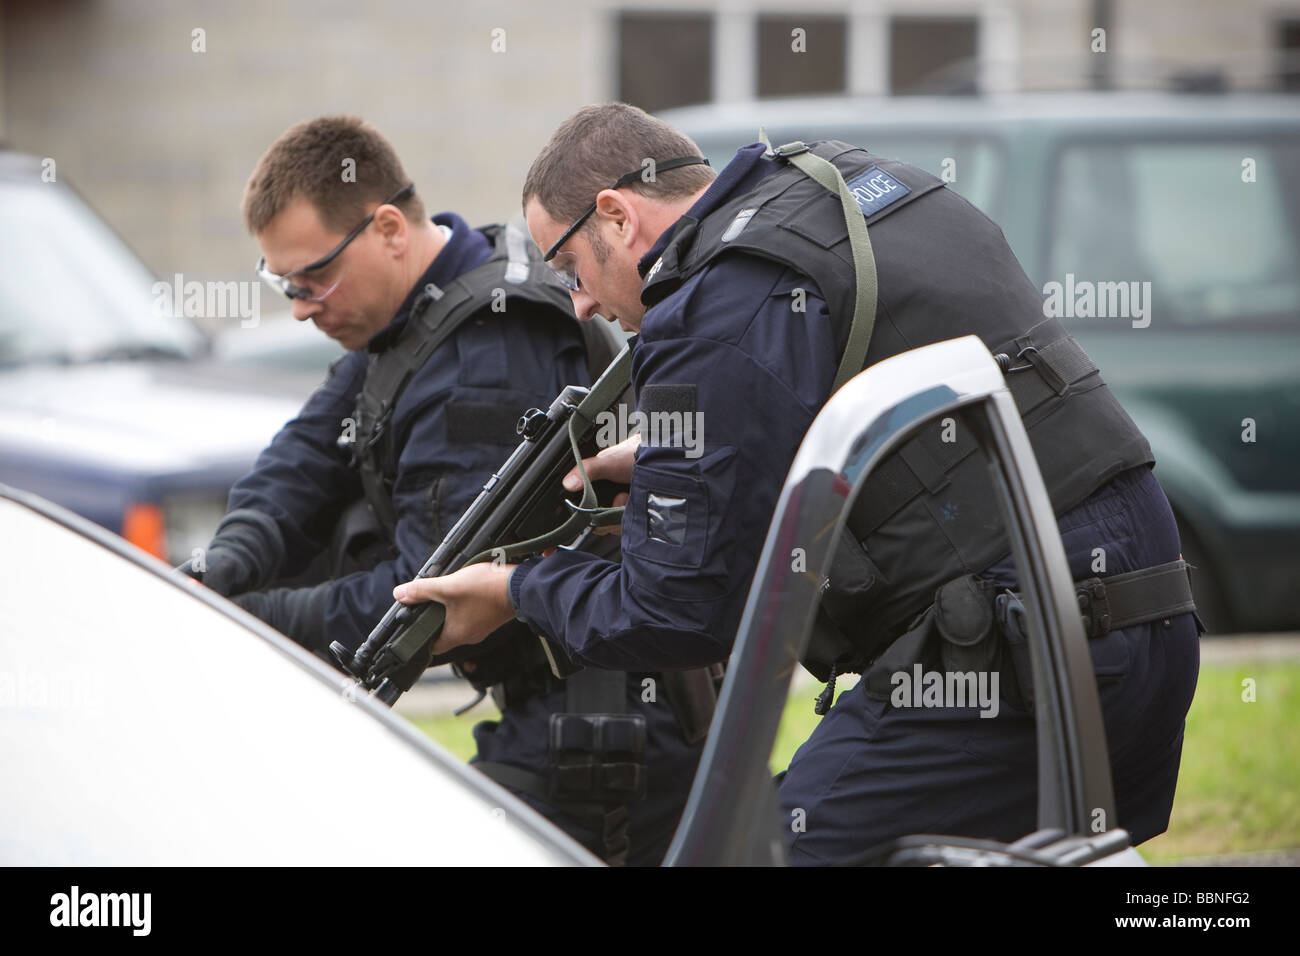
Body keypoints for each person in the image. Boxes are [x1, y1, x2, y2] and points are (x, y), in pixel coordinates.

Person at [392, 103, 1202, 865]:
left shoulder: (711, 305)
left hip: (1024, 658)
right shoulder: (852, 189)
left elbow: (675, 610)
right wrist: (696, 460)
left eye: (570, 266)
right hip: (1138, 617)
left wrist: (514, 591)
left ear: (616, 214)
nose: (577, 305)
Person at [188, 115, 704, 865]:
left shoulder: (484, 351)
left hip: (605, 727)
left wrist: (240, 623)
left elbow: (426, 592)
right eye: (284, 285)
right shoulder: (426, 307)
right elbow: (304, 457)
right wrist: (223, 565)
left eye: (313, 278)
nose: (300, 305)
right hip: (568, 708)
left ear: (389, 227)